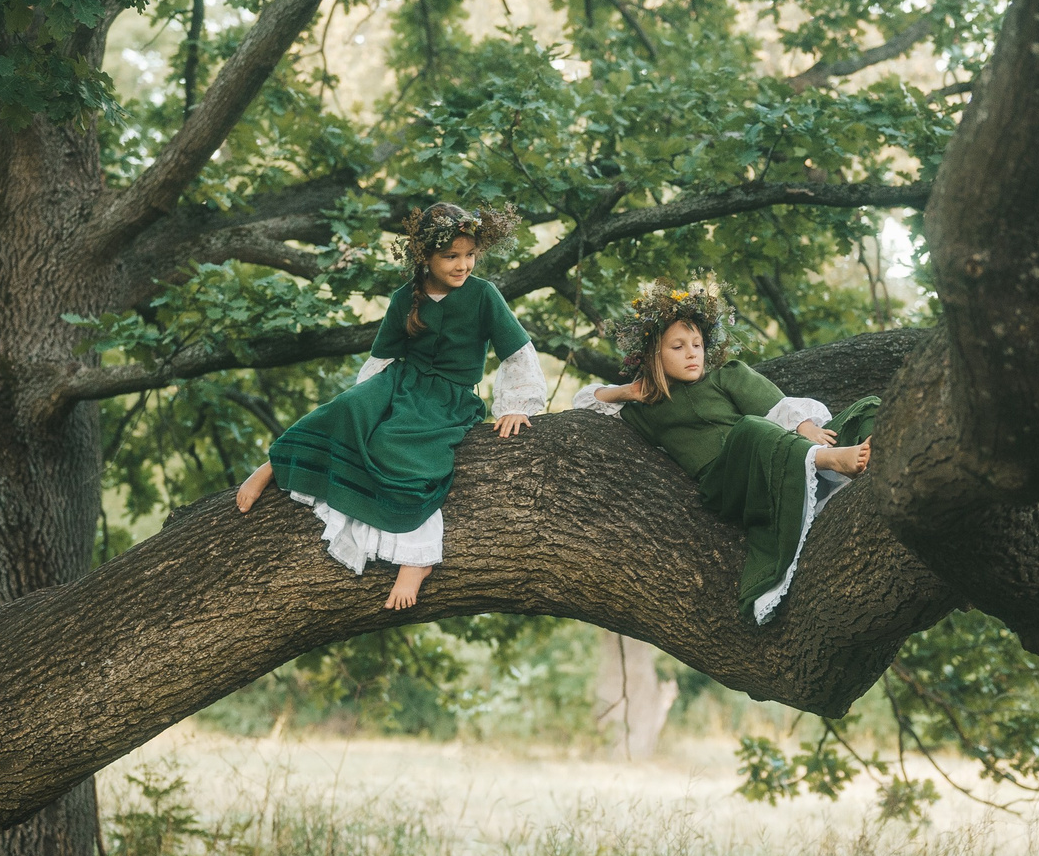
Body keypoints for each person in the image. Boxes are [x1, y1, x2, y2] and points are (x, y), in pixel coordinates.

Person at [236, 203, 542, 610]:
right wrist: (370, 406)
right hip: (397, 380)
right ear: (425, 257)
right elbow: (381, 359)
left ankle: (417, 559)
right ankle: (277, 463)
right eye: (451, 256)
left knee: (401, 449)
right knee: (346, 408)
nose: (463, 264)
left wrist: (516, 405)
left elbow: (517, 351)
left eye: (469, 255)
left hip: (449, 398)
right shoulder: (405, 298)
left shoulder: (483, 295)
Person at [574, 282, 877, 622]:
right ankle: (832, 461)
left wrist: (805, 426)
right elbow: (585, 403)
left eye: (697, 345)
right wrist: (629, 391)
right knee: (749, 429)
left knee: (869, 407)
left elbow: (774, 405)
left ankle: (875, 456)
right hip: (727, 483)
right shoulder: (648, 410)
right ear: (654, 356)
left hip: (773, 457)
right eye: (678, 347)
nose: (692, 353)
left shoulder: (725, 377)